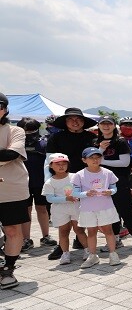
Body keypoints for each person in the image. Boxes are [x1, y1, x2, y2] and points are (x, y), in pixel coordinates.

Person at [45, 107, 97, 259]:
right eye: (71, 119)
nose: (75, 122)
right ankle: (62, 247)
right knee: (63, 217)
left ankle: (83, 242)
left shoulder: (91, 137)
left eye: (79, 119)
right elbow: (48, 161)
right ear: (65, 122)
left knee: (82, 214)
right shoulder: (56, 138)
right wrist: (48, 181)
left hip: (84, 179)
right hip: (62, 180)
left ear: (83, 121)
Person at [95, 116, 132, 251]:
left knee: (126, 210)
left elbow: (124, 163)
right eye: (103, 124)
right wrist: (100, 150)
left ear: (114, 126)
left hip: (119, 180)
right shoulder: (95, 142)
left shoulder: (121, 142)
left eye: (109, 124)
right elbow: (92, 160)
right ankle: (115, 239)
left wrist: (102, 161)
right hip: (101, 182)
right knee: (110, 212)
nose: (106, 127)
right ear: (99, 126)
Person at [72, 147, 121, 268]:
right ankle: (92, 255)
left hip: (105, 206)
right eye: (91, 158)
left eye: (98, 157)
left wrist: (110, 191)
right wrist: (85, 194)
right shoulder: (79, 175)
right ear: (84, 160)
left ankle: (113, 254)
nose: (95, 160)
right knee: (91, 231)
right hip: (88, 208)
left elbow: (114, 188)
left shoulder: (108, 173)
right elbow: (75, 192)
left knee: (108, 230)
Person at [0, 92, 30, 289]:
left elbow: (11, 154)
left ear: (5, 109)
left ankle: (8, 269)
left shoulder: (15, 131)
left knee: (12, 229)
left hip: (11, 188)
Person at [16, 117, 57, 251]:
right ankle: (26, 239)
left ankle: (46, 236)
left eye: (32, 130)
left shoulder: (44, 143)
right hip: (22, 182)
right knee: (25, 211)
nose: (28, 133)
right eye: (25, 130)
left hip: (40, 181)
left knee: (42, 209)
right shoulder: (16, 144)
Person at [41, 153, 88, 265]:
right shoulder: (49, 182)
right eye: (57, 164)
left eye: (64, 164)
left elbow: (82, 190)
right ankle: (65, 253)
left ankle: (88, 251)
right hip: (59, 210)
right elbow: (50, 198)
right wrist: (66, 198)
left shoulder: (75, 176)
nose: (61, 166)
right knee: (63, 231)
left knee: (79, 230)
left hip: (76, 207)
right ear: (51, 166)